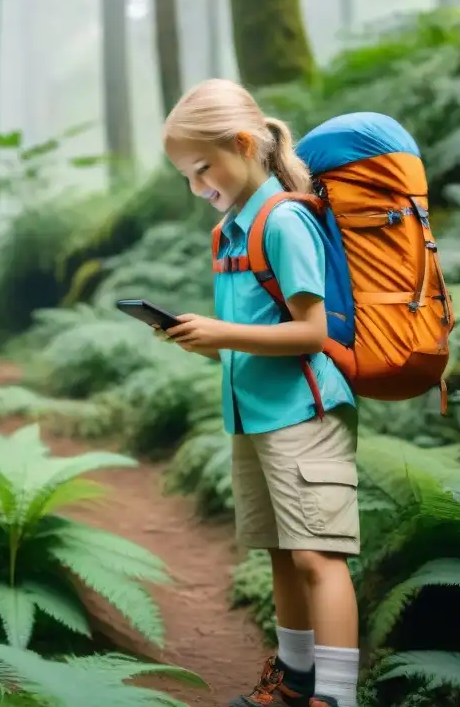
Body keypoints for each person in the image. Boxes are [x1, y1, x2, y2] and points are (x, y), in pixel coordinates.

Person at [159, 80, 360, 707]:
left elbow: (312, 332)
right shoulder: (229, 232)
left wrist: (221, 332)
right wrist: (205, 339)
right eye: (186, 177)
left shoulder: (285, 220)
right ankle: (296, 682)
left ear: (245, 145)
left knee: (317, 557)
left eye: (203, 169)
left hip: (305, 413)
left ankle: (336, 696)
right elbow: (253, 334)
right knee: (279, 553)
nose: (198, 187)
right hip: (253, 417)